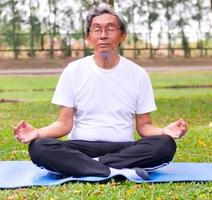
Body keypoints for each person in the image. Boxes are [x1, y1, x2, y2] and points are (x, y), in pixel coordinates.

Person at [13, 3, 188, 180]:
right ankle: (117, 170)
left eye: (110, 29)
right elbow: (64, 124)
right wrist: (38, 133)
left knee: (165, 145)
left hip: (123, 147)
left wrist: (164, 131)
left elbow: (144, 126)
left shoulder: (138, 74)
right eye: (97, 29)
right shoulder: (73, 70)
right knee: (38, 147)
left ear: (122, 36)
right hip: (80, 146)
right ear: (88, 37)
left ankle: (87, 165)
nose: (103, 35)